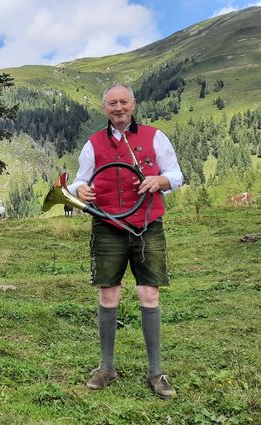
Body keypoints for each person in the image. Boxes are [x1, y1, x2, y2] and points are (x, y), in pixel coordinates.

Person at [67, 84, 183, 399]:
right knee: (108, 294)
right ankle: (106, 368)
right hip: (107, 225)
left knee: (149, 293)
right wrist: (80, 189)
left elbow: (176, 175)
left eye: (123, 102)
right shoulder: (93, 144)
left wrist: (160, 180)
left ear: (133, 104)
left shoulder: (155, 137)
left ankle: (156, 372)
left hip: (147, 224)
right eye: (112, 104)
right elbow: (80, 178)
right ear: (105, 109)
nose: (118, 108)